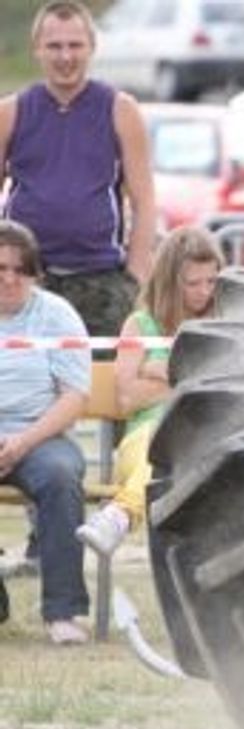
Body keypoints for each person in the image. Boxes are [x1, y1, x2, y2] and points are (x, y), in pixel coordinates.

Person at [0, 1, 156, 340]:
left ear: (92, 48)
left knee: (101, 384)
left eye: (75, 45)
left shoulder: (121, 110)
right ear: (37, 49)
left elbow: (145, 202)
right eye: (54, 46)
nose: (65, 57)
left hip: (102, 281)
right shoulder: (10, 113)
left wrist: (135, 276)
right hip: (27, 280)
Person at [76, 227, 222, 559]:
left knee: (187, 452)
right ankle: (121, 514)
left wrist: (157, 371)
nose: (204, 291)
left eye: (211, 281)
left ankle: (119, 517)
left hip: (202, 437)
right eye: (193, 283)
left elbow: (223, 384)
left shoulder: (221, 322)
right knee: (157, 452)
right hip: (145, 434)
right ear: (170, 282)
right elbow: (128, 399)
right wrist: (187, 376)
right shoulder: (140, 324)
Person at [0, 219, 91, 645]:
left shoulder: (57, 315)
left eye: (20, 269)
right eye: (0, 267)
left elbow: (74, 398)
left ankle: (63, 612)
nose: (9, 278)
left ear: (35, 272)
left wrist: (22, 442)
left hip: (41, 436)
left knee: (59, 476)